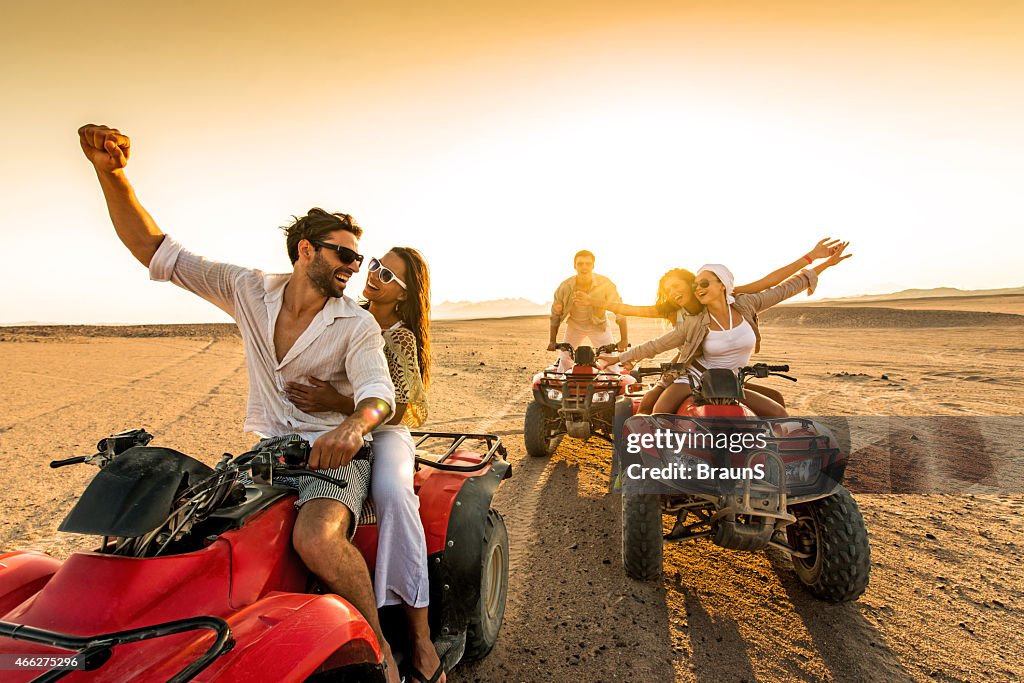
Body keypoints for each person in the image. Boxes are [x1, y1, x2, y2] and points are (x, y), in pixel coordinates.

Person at [78, 124, 403, 682]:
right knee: (178, 533)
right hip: (266, 453)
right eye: (344, 254)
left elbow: (380, 396)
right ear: (306, 251)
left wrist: (352, 426)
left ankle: (381, 653)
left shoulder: (355, 324)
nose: (354, 265)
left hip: (333, 456)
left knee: (315, 538)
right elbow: (154, 250)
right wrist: (112, 174)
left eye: (358, 256)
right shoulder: (248, 289)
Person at [284, 248, 444, 683]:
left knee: (393, 494)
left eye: (388, 274)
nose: (374, 275)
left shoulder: (401, 336)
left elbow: (409, 408)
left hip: (386, 430)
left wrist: (337, 402)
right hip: (332, 428)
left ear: (404, 294)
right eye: (375, 264)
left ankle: (420, 635)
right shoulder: (344, 314)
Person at [581, 239, 844, 412]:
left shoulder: (746, 304)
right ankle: (643, 475)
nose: (698, 289)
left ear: (722, 285)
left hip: (732, 380)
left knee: (777, 409)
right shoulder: (694, 320)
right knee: (657, 413)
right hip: (694, 377)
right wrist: (621, 357)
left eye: (704, 283)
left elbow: (784, 287)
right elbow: (659, 343)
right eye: (696, 285)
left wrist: (821, 263)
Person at [549, 250, 628, 372]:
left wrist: (624, 339)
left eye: (588, 263)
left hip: (599, 325)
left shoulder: (605, 284)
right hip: (575, 326)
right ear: (574, 265)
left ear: (593, 265)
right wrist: (552, 341)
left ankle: (614, 390)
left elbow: (619, 309)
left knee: (609, 363)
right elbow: (555, 314)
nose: (584, 267)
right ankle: (560, 390)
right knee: (565, 360)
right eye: (580, 264)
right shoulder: (565, 286)